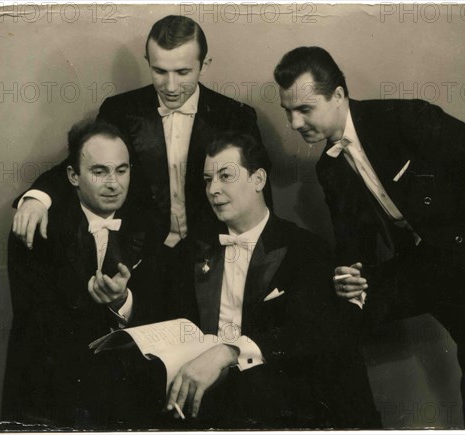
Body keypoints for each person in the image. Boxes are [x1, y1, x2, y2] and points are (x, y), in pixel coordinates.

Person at [274, 46, 465, 428]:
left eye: (304, 109)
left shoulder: (405, 119)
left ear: (338, 96)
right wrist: (351, 278)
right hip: (423, 267)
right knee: (328, 320)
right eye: (287, 111)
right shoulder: (329, 169)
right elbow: (353, 242)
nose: (294, 123)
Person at [158, 131, 380, 429]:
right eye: (208, 180)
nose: (213, 189)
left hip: (277, 397)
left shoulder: (306, 249)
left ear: (258, 180)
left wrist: (228, 352)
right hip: (204, 395)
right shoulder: (190, 252)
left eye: (225, 176)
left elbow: (308, 333)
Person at [11, 15, 269, 253]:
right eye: (159, 71)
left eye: (182, 72)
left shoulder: (237, 116)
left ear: (204, 65)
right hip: (140, 256)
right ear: (148, 62)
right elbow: (84, 166)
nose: (170, 86)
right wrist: (37, 199)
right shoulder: (120, 111)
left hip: (215, 254)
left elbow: (260, 196)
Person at [1, 119, 158, 428]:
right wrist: (90, 298)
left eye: (121, 170)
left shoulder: (147, 224)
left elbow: (159, 310)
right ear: (72, 176)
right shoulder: (37, 228)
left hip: (125, 394)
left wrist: (122, 300)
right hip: (50, 393)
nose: (114, 184)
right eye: (99, 171)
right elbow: (35, 322)